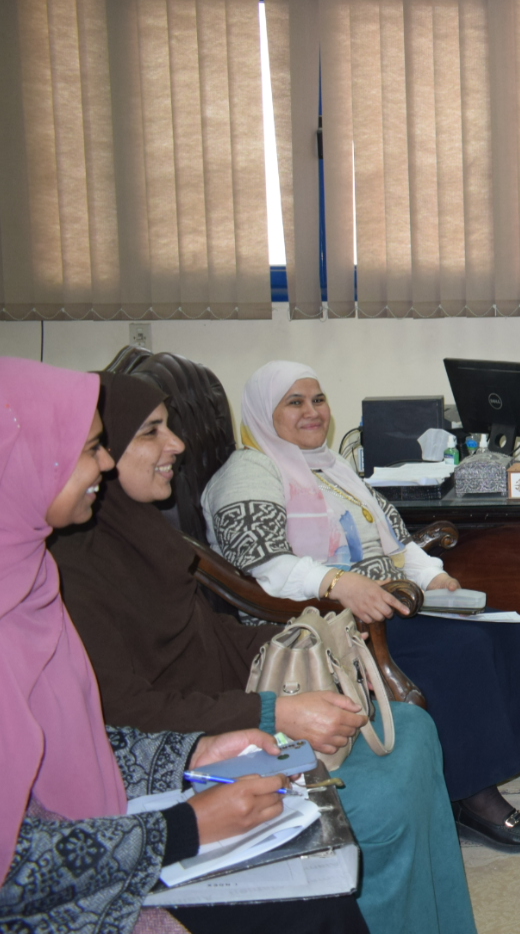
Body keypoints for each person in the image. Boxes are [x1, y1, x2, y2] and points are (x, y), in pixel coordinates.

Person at [54, 372, 478, 934]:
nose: (176, 444)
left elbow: (207, 636)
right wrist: (277, 711)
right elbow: (125, 714)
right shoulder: (68, 572)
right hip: (179, 759)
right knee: (382, 795)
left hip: (226, 716)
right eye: (151, 432)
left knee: (413, 729)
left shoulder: (138, 531)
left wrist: (305, 642)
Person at [1, 357, 366, 934]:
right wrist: (183, 826)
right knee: (313, 890)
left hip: (129, 807)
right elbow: (18, 867)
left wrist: (194, 753)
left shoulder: (31, 580)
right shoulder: (62, 575)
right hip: (88, 888)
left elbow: (90, 735)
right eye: (92, 447)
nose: (105, 461)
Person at [198, 361, 520, 855]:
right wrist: (339, 583)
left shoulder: (329, 466)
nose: (312, 412)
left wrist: (432, 577)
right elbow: (263, 566)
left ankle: (485, 769)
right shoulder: (249, 472)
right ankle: (474, 797)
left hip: (377, 604)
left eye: (318, 399)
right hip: (318, 621)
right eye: (294, 402)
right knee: (458, 649)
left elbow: (396, 543)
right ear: (262, 413)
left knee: (501, 627)